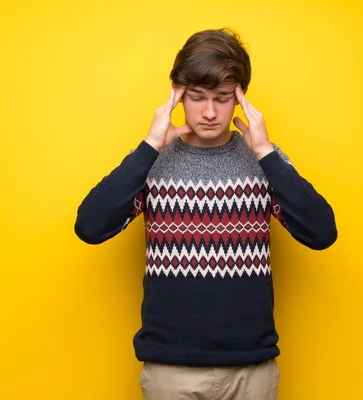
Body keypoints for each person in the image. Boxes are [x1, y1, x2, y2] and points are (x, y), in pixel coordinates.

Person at [74, 28, 337, 400]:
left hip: (252, 370)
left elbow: (322, 233)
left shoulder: (265, 159)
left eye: (223, 98)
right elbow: (90, 226)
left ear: (240, 99)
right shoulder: (152, 161)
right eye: (197, 98)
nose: (210, 112)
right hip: (171, 371)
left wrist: (265, 152)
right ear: (177, 95)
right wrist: (149, 147)